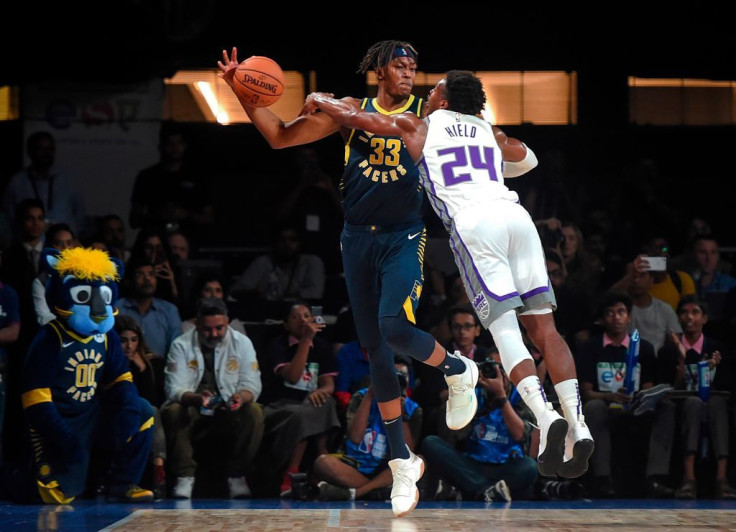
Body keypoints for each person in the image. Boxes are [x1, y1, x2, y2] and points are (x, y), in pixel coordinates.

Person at [219, 43, 483, 518]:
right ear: (380, 70)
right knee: (376, 353)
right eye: (401, 66)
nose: (409, 74)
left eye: (413, 68)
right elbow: (279, 136)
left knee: (393, 328)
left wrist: (323, 99)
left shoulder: (425, 115)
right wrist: (242, 91)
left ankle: (457, 368)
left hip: (405, 236)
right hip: (356, 239)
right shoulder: (351, 111)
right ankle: (402, 461)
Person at [304, 70, 593, 485]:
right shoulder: (491, 132)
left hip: (477, 225)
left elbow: (356, 119)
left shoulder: (419, 125)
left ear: (443, 101)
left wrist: (319, 96)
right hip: (517, 218)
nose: (425, 93)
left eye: (433, 89)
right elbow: (527, 159)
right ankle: (578, 424)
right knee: (546, 329)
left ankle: (546, 418)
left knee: (505, 329)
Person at [0, 247, 154, 504]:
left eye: (102, 296)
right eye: (83, 295)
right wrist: (64, 438)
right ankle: (8, 479)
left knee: (144, 411)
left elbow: (120, 379)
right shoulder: (51, 337)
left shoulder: (108, 337)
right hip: (56, 421)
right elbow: (35, 401)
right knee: (52, 496)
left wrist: (127, 410)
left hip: (90, 414)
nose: (96, 307)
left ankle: (122, 483)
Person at [575, 291, 676, 498]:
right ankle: (603, 479)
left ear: (629, 316)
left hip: (636, 405)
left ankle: (655, 478)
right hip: (606, 406)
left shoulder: (644, 348)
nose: (616, 317)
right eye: (610, 313)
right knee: (593, 408)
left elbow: (648, 385)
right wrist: (608, 397)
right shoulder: (591, 348)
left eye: (621, 312)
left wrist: (644, 396)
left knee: (667, 407)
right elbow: (587, 392)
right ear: (602, 319)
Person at [161, 297, 263, 499]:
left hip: (229, 408)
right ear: (197, 324)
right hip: (193, 407)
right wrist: (197, 398)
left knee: (255, 411)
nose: (214, 334)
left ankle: (237, 475)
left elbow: (252, 384)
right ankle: (185, 476)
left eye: (219, 328)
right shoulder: (181, 344)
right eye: (207, 329)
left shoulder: (242, 343)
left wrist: (240, 397)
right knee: (173, 410)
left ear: (227, 322)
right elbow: (174, 388)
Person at [421, 351, 537, 502]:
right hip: (471, 465)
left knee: (530, 467)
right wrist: (467, 392)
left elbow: (520, 435)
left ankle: (473, 490)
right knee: (430, 443)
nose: (496, 373)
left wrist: (501, 398)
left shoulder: (521, 396)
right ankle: (486, 491)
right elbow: (455, 433)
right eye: (491, 368)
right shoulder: (473, 393)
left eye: (501, 369)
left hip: (505, 467)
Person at [655, 296, 736, 499]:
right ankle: (688, 478)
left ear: (705, 318)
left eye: (695, 312)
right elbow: (669, 389)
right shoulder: (668, 350)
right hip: (683, 405)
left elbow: (724, 388)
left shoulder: (718, 349)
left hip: (713, 403)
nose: (689, 317)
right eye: (684, 312)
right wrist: (682, 360)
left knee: (717, 403)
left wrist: (709, 371)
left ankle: (722, 479)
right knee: (693, 403)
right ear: (679, 318)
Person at [310, 357, 422, 502]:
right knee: (323, 463)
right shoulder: (362, 396)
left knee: (416, 463)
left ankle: (356, 493)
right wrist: (370, 396)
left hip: (387, 470)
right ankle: (378, 492)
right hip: (355, 468)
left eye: (402, 376)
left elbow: (407, 453)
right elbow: (355, 437)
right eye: (392, 374)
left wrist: (400, 415)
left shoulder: (413, 409)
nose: (395, 381)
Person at [259, 301, 340, 497]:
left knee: (326, 402)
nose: (303, 320)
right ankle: (295, 471)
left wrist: (322, 391)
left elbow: (328, 383)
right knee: (304, 414)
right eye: (296, 317)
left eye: (306, 316)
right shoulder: (278, 345)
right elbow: (293, 376)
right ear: (286, 324)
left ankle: (321, 467)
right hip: (282, 405)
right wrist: (305, 341)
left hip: (309, 403)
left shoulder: (321, 345)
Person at [129, 124, 214, 243]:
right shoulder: (148, 177)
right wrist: (159, 215)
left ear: (185, 146)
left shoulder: (196, 177)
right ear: (162, 146)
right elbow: (134, 220)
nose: (175, 148)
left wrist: (185, 214)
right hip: (156, 242)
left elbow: (209, 218)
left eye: (179, 143)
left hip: (188, 243)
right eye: (170, 144)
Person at [114, 314, 167, 498]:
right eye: (123, 341)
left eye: (134, 340)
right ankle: (157, 469)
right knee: (148, 410)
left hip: (145, 414)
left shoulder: (152, 362)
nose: (129, 346)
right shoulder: (110, 363)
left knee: (152, 410)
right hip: (118, 411)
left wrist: (141, 366)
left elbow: (151, 396)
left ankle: (158, 468)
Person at [1, 131, 85, 234]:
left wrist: (72, 235)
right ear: (30, 151)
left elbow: (79, 212)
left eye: (50, 149)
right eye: (41, 148)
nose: (47, 153)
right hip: (29, 244)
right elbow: (9, 217)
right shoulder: (17, 182)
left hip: (63, 243)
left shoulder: (67, 180)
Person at [116, 256, 182, 360]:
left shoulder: (169, 310)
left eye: (151, 274)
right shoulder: (116, 308)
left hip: (160, 372)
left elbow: (176, 351)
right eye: (139, 274)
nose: (147, 279)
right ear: (129, 280)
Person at [31, 223, 78, 327]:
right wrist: (72, 324)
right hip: (57, 334)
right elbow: (43, 317)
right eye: (58, 243)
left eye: (69, 243)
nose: (65, 248)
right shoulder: (41, 281)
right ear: (50, 247)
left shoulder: (86, 274)